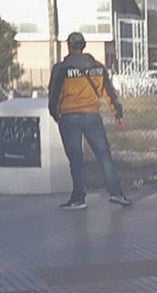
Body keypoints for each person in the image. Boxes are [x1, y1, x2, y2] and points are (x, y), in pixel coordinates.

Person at [49, 32, 132, 209]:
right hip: (92, 116)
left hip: (69, 117)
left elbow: (54, 97)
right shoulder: (98, 67)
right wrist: (118, 114)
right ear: (84, 46)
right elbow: (109, 93)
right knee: (104, 156)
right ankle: (117, 194)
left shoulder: (61, 68)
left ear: (69, 47)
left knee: (76, 159)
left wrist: (56, 115)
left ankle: (78, 198)